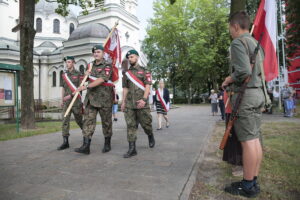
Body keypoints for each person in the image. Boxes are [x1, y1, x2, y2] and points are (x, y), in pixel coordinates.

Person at [222, 11, 266, 198]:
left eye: (230, 28)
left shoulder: (238, 42)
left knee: (248, 142)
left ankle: (247, 186)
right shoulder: (256, 43)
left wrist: (228, 78)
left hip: (245, 97)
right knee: (254, 140)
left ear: (236, 26)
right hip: (258, 95)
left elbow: (243, 71)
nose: (230, 32)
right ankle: (252, 180)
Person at [73, 45, 114, 155]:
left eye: (98, 52)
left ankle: (107, 143)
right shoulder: (90, 65)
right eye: (95, 52)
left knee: (106, 123)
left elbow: (102, 79)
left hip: (104, 99)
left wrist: (86, 87)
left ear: (103, 53)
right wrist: (85, 76)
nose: (96, 54)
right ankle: (86, 146)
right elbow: (85, 80)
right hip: (91, 99)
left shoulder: (108, 65)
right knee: (88, 122)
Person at [121, 49, 155, 158]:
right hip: (130, 104)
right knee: (131, 125)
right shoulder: (126, 73)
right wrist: (123, 101)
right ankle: (132, 149)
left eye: (131, 57)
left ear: (137, 57)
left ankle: (150, 135)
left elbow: (148, 85)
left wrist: (144, 100)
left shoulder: (145, 71)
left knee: (146, 124)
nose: (130, 59)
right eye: (128, 57)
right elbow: (125, 88)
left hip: (142, 103)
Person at [57, 56, 83, 150]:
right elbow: (63, 88)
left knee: (79, 120)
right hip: (66, 102)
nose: (67, 64)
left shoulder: (79, 74)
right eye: (66, 62)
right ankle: (65, 142)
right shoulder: (64, 75)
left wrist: (71, 95)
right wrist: (62, 99)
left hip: (76, 101)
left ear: (73, 63)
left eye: (69, 62)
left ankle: (86, 136)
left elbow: (80, 88)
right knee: (64, 120)